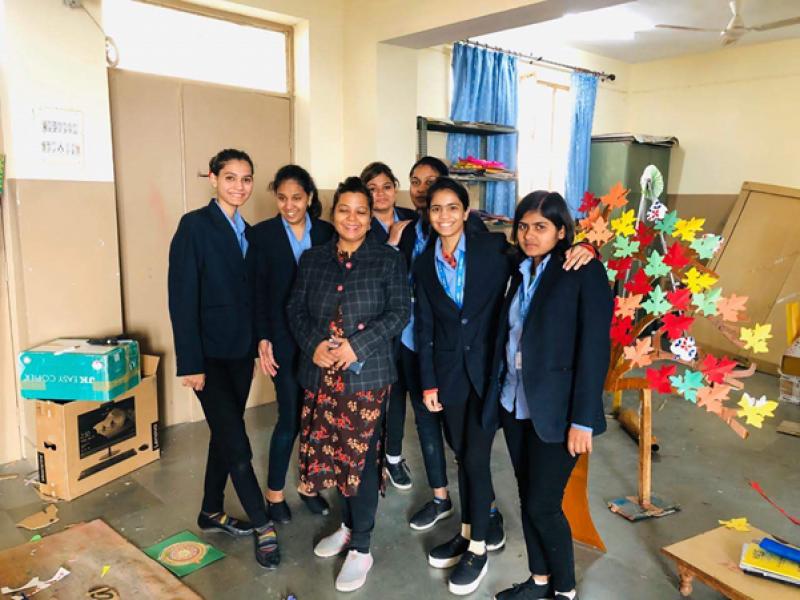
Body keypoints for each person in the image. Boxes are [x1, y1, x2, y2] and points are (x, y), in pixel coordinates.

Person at [484, 191, 612, 600]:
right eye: (523, 226)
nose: (529, 235)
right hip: (514, 403)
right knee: (528, 497)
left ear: (560, 231)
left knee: (543, 504)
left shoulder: (582, 271)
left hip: (558, 411)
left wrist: (583, 419)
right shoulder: (518, 268)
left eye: (541, 227)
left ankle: (565, 591)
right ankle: (539, 581)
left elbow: (595, 349)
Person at [286, 177, 410, 593]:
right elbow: (295, 309)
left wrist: (358, 346)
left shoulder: (387, 259)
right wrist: (314, 345)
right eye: (344, 210)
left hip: (366, 378)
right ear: (333, 213)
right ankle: (346, 526)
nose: (352, 218)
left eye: (361, 211)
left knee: (360, 460)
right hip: (321, 375)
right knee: (336, 455)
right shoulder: (313, 259)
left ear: (370, 217)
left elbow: (399, 313)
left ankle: (362, 546)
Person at [167, 148, 279, 569]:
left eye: (246, 179)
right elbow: (182, 297)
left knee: (223, 432)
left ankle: (210, 510)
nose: (239, 186)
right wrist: (190, 362)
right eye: (230, 177)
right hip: (208, 356)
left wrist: (260, 341)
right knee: (237, 441)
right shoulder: (194, 226)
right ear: (213, 179)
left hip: (240, 352)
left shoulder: (249, 232)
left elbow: (254, 294)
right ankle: (263, 524)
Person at [386, 156, 498, 536]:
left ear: (462, 209)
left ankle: (484, 515)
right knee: (432, 425)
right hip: (419, 344)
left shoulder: (480, 238)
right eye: (416, 182)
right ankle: (443, 499)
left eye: (431, 181)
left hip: (469, 356)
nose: (423, 189)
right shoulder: (406, 233)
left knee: (470, 445)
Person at [414, 177, 512, 595]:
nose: (444, 216)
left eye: (452, 207)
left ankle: (477, 547)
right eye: (436, 208)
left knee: (474, 456)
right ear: (428, 214)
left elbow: (538, 258)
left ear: (466, 211)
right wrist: (428, 382)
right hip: (449, 374)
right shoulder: (424, 263)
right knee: (462, 453)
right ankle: (472, 528)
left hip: (489, 371)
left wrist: (583, 249)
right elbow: (425, 327)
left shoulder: (493, 249)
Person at [251, 164, 335, 523]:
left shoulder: (326, 232)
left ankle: (308, 486)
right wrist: (262, 337)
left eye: (297, 198)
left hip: (320, 341)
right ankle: (274, 495)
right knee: (289, 418)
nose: (289, 206)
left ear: (309, 197)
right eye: (282, 198)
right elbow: (254, 292)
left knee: (316, 418)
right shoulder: (262, 235)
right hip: (283, 339)